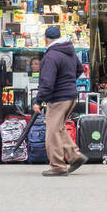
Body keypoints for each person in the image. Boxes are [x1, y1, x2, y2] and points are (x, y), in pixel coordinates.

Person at [32, 25, 86, 176]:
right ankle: (75, 157)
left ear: (46, 39)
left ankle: (57, 166)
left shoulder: (51, 56)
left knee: (52, 132)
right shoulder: (69, 51)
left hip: (58, 98)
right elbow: (80, 70)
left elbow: (47, 83)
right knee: (59, 128)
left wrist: (38, 100)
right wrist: (68, 82)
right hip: (71, 96)